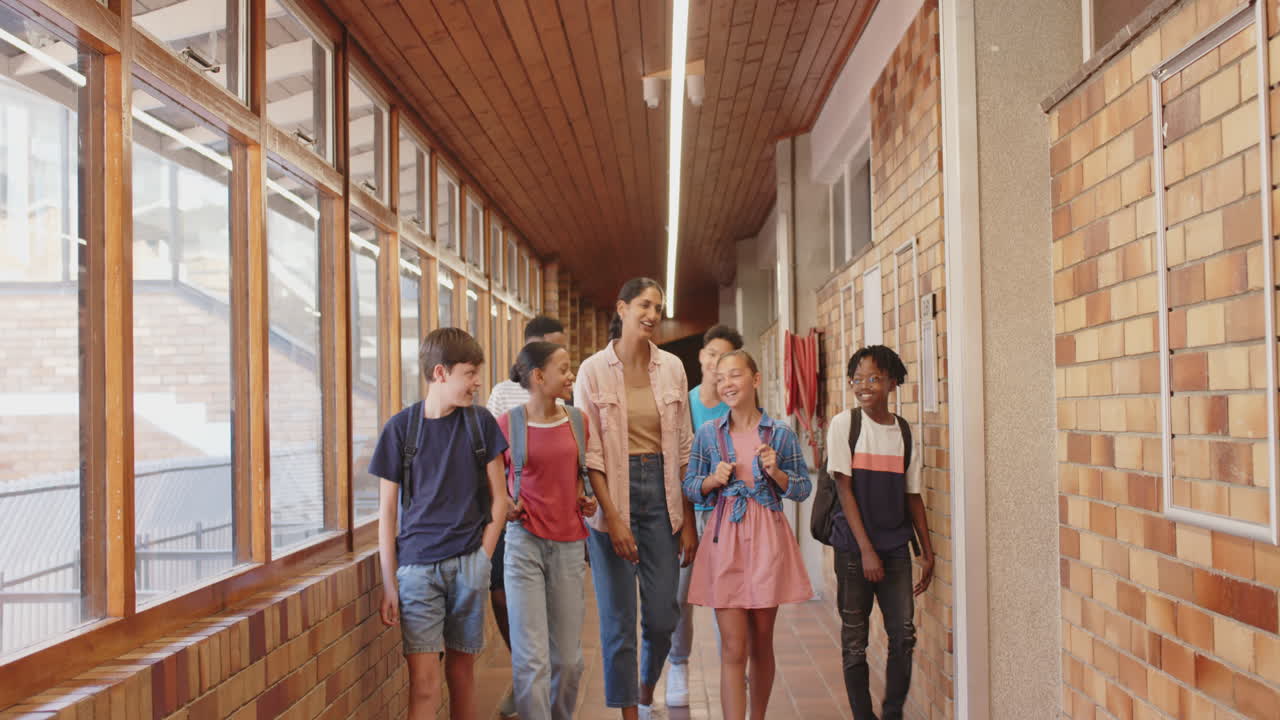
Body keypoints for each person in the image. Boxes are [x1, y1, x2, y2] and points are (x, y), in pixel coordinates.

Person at [372, 328, 511, 720]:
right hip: (416, 570)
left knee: (462, 675)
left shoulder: (480, 424)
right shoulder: (400, 429)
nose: (477, 382)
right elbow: (387, 514)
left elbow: (500, 499)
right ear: (440, 373)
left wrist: (482, 557)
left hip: (469, 564)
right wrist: (389, 583)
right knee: (424, 684)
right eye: (469, 373)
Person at [574, 277, 696, 720]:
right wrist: (613, 517)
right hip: (613, 498)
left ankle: (646, 688)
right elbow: (590, 455)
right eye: (644, 305)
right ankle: (630, 712)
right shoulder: (591, 371)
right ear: (622, 308)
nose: (652, 314)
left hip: (663, 498)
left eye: (659, 308)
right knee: (618, 622)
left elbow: (684, 447)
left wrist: (690, 522)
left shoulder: (673, 368)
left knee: (664, 615)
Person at [682, 350, 812, 720]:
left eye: (735, 376)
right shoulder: (708, 435)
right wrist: (712, 480)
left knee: (761, 644)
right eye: (721, 378)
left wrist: (777, 473)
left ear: (755, 380)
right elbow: (690, 487)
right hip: (725, 541)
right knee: (733, 648)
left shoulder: (781, 435)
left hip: (768, 541)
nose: (727, 384)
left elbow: (802, 489)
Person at [826, 345, 934, 720]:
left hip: (896, 548)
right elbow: (844, 489)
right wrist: (866, 550)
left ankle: (892, 714)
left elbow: (913, 494)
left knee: (903, 636)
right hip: (855, 551)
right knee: (855, 641)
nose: (864, 386)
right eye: (857, 379)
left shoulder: (903, 431)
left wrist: (927, 550)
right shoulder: (845, 425)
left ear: (892, 382)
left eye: (873, 378)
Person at [497, 341, 598, 719]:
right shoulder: (508, 425)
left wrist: (587, 499)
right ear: (539, 377)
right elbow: (490, 484)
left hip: (569, 545)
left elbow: (577, 476)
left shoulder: (578, 421)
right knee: (531, 661)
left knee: (569, 662)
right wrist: (505, 503)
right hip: (523, 545)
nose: (571, 375)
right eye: (564, 368)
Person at [485, 314, 567, 718]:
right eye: (554, 351)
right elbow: (490, 455)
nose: (563, 365)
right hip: (513, 518)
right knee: (502, 598)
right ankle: (526, 681)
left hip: (556, 522)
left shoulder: (565, 402)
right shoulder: (502, 396)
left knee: (555, 622)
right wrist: (502, 501)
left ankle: (533, 683)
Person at [666, 323, 743, 707]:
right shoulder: (686, 402)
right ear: (700, 356)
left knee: (729, 599)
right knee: (680, 597)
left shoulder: (739, 410)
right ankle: (678, 665)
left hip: (730, 518)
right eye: (711, 354)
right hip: (689, 516)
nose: (715, 364)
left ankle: (734, 668)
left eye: (724, 358)